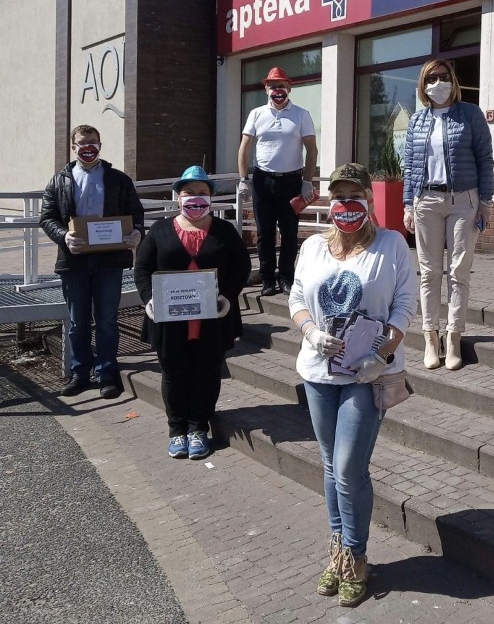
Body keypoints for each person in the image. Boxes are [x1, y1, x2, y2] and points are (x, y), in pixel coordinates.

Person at [289, 162, 417, 607]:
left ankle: (357, 556)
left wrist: (381, 354)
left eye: (353, 196)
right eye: (338, 197)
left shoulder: (391, 245)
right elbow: (296, 298)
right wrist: (310, 332)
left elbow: (404, 306)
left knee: (347, 467)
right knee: (329, 463)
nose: (346, 205)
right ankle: (339, 550)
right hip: (319, 373)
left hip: (368, 374)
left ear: (368, 200)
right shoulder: (312, 248)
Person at [134, 166, 251, 459]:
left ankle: (198, 428)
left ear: (211, 197)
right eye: (189, 193)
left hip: (213, 318)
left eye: (202, 193)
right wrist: (149, 298)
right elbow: (143, 268)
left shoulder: (224, 231)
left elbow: (241, 268)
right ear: (177, 197)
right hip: (170, 320)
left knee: (207, 373)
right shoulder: (160, 229)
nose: (195, 199)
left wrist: (228, 296)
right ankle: (177, 430)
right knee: (174, 373)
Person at [40, 125, 145, 399]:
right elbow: (47, 218)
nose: (88, 148)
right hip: (74, 262)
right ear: (73, 147)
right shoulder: (59, 180)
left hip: (109, 261)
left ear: (100, 145)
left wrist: (136, 233)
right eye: (82, 144)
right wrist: (64, 237)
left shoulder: (119, 179)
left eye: (93, 143)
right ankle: (80, 373)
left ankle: (107, 373)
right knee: (77, 322)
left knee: (108, 319)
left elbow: (135, 214)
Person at [403, 59, 494, 371]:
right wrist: (407, 204)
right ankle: (431, 337)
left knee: (458, 271)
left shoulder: (470, 114)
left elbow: (485, 159)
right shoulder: (417, 120)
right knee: (428, 272)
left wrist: (485, 203)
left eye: (442, 77)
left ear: (452, 80)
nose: (437, 84)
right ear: (423, 85)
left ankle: (453, 336)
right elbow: (410, 165)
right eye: (431, 79)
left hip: (463, 200)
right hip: (425, 199)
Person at [237, 67, 317, 297]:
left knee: (290, 233)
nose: (277, 90)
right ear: (266, 89)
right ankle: (268, 278)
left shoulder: (301, 114)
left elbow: (311, 149)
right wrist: (244, 179)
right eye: (273, 86)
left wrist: (307, 181)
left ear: (289, 89)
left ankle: (286, 277)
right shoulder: (256, 114)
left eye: (281, 86)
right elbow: (244, 148)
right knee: (264, 233)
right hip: (263, 180)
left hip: (292, 181)